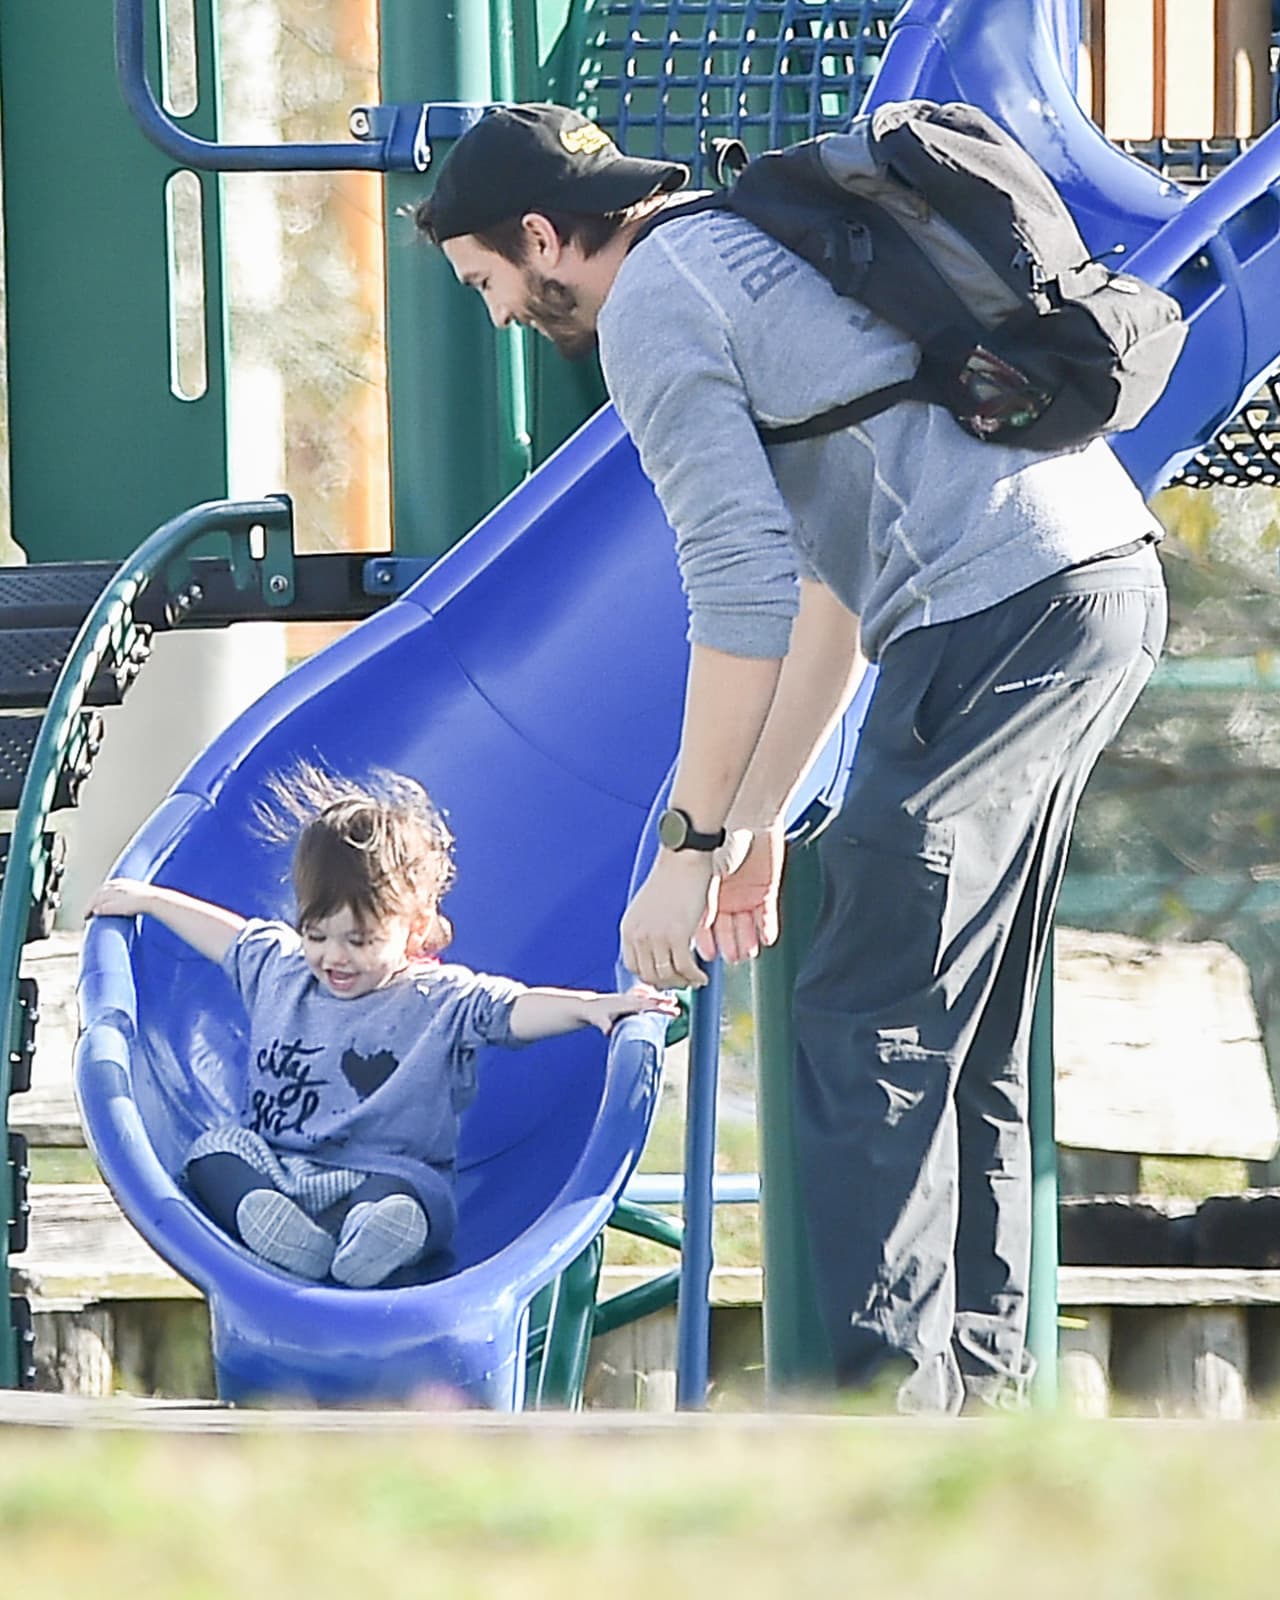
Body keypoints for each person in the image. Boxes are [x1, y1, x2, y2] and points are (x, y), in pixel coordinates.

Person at [416, 103, 1169, 1411]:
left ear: (542, 235)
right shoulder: (740, 245)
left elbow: (740, 597)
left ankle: (881, 1410)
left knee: (866, 1007)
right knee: (957, 1021)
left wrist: (685, 850)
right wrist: (761, 812)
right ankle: (972, 1409)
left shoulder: (654, 303)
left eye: (486, 279)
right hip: (1089, 584)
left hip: (1004, 607)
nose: (495, 314)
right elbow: (833, 583)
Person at [87, 765, 676, 1288]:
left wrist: (593, 1007)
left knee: (408, 1206)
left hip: (387, 1175)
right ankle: (274, 1227)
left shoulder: (438, 998)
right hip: (281, 1166)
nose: (333, 957)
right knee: (213, 1153)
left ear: (414, 928)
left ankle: (366, 1244)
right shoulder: (283, 969)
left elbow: (516, 1009)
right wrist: (148, 900)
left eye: (360, 941)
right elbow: (227, 935)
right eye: (317, 935)